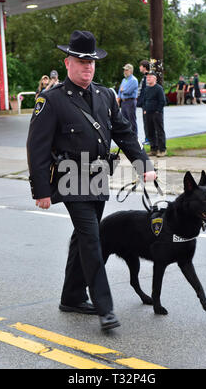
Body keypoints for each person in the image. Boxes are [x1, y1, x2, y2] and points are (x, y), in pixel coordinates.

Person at [26, 30, 156, 331]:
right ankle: (105, 307)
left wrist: (143, 164)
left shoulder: (105, 95)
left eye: (92, 62)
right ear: (67, 62)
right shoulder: (51, 100)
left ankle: (71, 296)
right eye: (81, 61)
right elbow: (37, 147)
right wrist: (41, 190)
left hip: (97, 176)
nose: (88, 67)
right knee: (91, 239)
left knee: (83, 236)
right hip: (70, 178)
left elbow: (124, 133)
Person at [144, 71, 167, 157]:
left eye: (150, 77)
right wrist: (145, 109)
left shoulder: (158, 88)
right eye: (147, 77)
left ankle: (162, 150)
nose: (148, 78)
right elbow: (145, 100)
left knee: (159, 131)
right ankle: (153, 148)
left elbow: (162, 101)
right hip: (148, 113)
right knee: (150, 131)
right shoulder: (146, 89)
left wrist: (158, 111)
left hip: (157, 113)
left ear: (155, 78)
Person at [117, 64, 138, 135]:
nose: (125, 71)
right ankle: (127, 137)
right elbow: (120, 90)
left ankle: (134, 137)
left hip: (130, 101)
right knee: (124, 121)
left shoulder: (134, 80)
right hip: (123, 102)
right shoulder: (124, 80)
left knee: (131, 120)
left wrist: (123, 90)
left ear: (131, 71)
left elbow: (127, 91)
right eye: (124, 70)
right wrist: (118, 98)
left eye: (126, 70)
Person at [137, 60, 150, 145]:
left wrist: (145, 104)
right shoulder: (144, 77)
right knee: (146, 122)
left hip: (147, 104)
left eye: (140, 66)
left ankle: (148, 139)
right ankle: (147, 138)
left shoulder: (148, 77)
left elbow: (147, 92)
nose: (139, 67)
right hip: (144, 104)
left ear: (144, 67)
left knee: (147, 122)